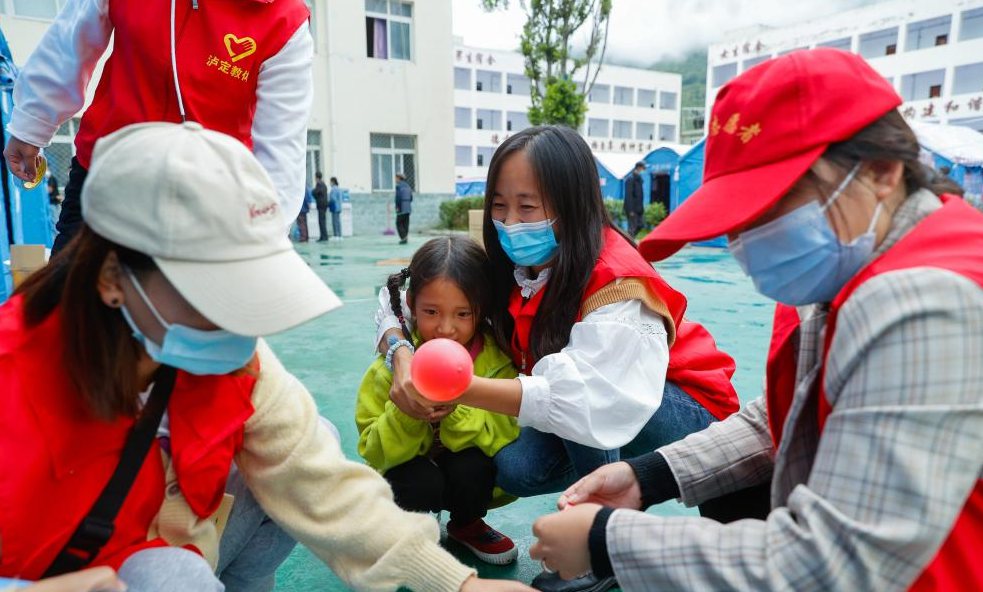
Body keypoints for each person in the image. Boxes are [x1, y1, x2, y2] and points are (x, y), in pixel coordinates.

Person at [0, 121, 530, 592]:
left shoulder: (234, 359)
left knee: (305, 440)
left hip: (174, 542)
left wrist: (458, 583)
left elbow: (318, 482)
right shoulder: (16, 378)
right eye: (215, 294)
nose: (241, 324)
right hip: (69, 570)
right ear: (113, 276)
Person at [528, 48, 983, 592]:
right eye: (737, 222)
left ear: (881, 171)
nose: (745, 245)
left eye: (769, 210)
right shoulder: (852, 260)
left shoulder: (925, 299)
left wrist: (607, 542)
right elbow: (782, 415)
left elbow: (839, 562)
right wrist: (646, 476)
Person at [378, 126, 742, 592]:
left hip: (687, 410)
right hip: (591, 403)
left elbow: (584, 396)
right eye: (499, 205)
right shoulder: (515, 266)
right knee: (517, 467)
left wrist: (457, 387)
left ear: (571, 204)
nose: (511, 222)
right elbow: (400, 294)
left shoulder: (615, 279)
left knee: (579, 408)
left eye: (527, 206)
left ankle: (599, 552)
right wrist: (401, 351)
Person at [3, 0, 314, 255]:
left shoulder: (284, 19)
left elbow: (281, 147)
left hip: (207, 203)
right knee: (68, 308)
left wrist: (265, 238)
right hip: (105, 178)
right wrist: (32, 124)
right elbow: (70, 43)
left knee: (183, 319)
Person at [357, 236, 521, 565]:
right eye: (431, 312)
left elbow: (503, 437)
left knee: (474, 467)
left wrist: (459, 408)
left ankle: (467, 523)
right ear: (411, 305)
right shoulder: (390, 369)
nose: (446, 328)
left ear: (482, 311)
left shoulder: (496, 363)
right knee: (419, 480)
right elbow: (372, 450)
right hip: (415, 473)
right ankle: (413, 525)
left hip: (463, 469)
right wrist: (405, 414)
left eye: (463, 314)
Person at [624, 162, 645, 236]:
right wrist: (630, 210)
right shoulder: (630, 179)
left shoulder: (639, 180)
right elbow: (628, 196)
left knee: (640, 225)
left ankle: (630, 240)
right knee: (632, 228)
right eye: (643, 168)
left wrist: (642, 208)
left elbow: (640, 195)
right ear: (638, 168)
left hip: (639, 209)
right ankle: (629, 243)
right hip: (632, 209)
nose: (643, 170)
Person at [395, 173, 413, 244]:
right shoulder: (408, 186)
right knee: (406, 223)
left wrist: (397, 206)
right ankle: (406, 237)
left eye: (396, 178)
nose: (395, 180)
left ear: (399, 178)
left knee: (398, 223)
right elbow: (411, 198)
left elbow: (398, 197)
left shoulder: (399, 186)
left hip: (402, 206)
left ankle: (403, 238)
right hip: (408, 207)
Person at [313, 171, 330, 242]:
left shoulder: (319, 184)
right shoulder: (324, 184)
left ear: (316, 177)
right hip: (324, 205)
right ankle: (324, 236)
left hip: (321, 205)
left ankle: (323, 237)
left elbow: (315, 192)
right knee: (323, 221)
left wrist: (313, 192)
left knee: (321, 221)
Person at [46, 172, 61, 239]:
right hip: (54, 203)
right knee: (55, 222)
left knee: (54, 223)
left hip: (53, 204)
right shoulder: (51, 178)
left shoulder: (50, 179)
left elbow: (49, 190)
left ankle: (56, 239)